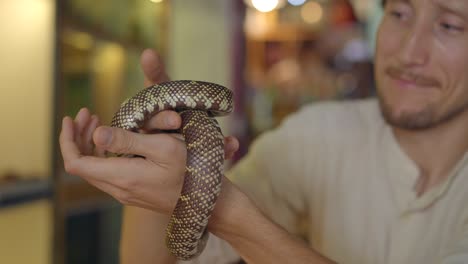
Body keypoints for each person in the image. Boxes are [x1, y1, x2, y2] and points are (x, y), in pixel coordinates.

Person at [59, 0, 468, 263]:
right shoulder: (319, 134)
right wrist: (151, 153)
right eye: (399, 13)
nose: (409, 52)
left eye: (450, 25)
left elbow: (210, 212)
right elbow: (152, 261)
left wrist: (219, 207)